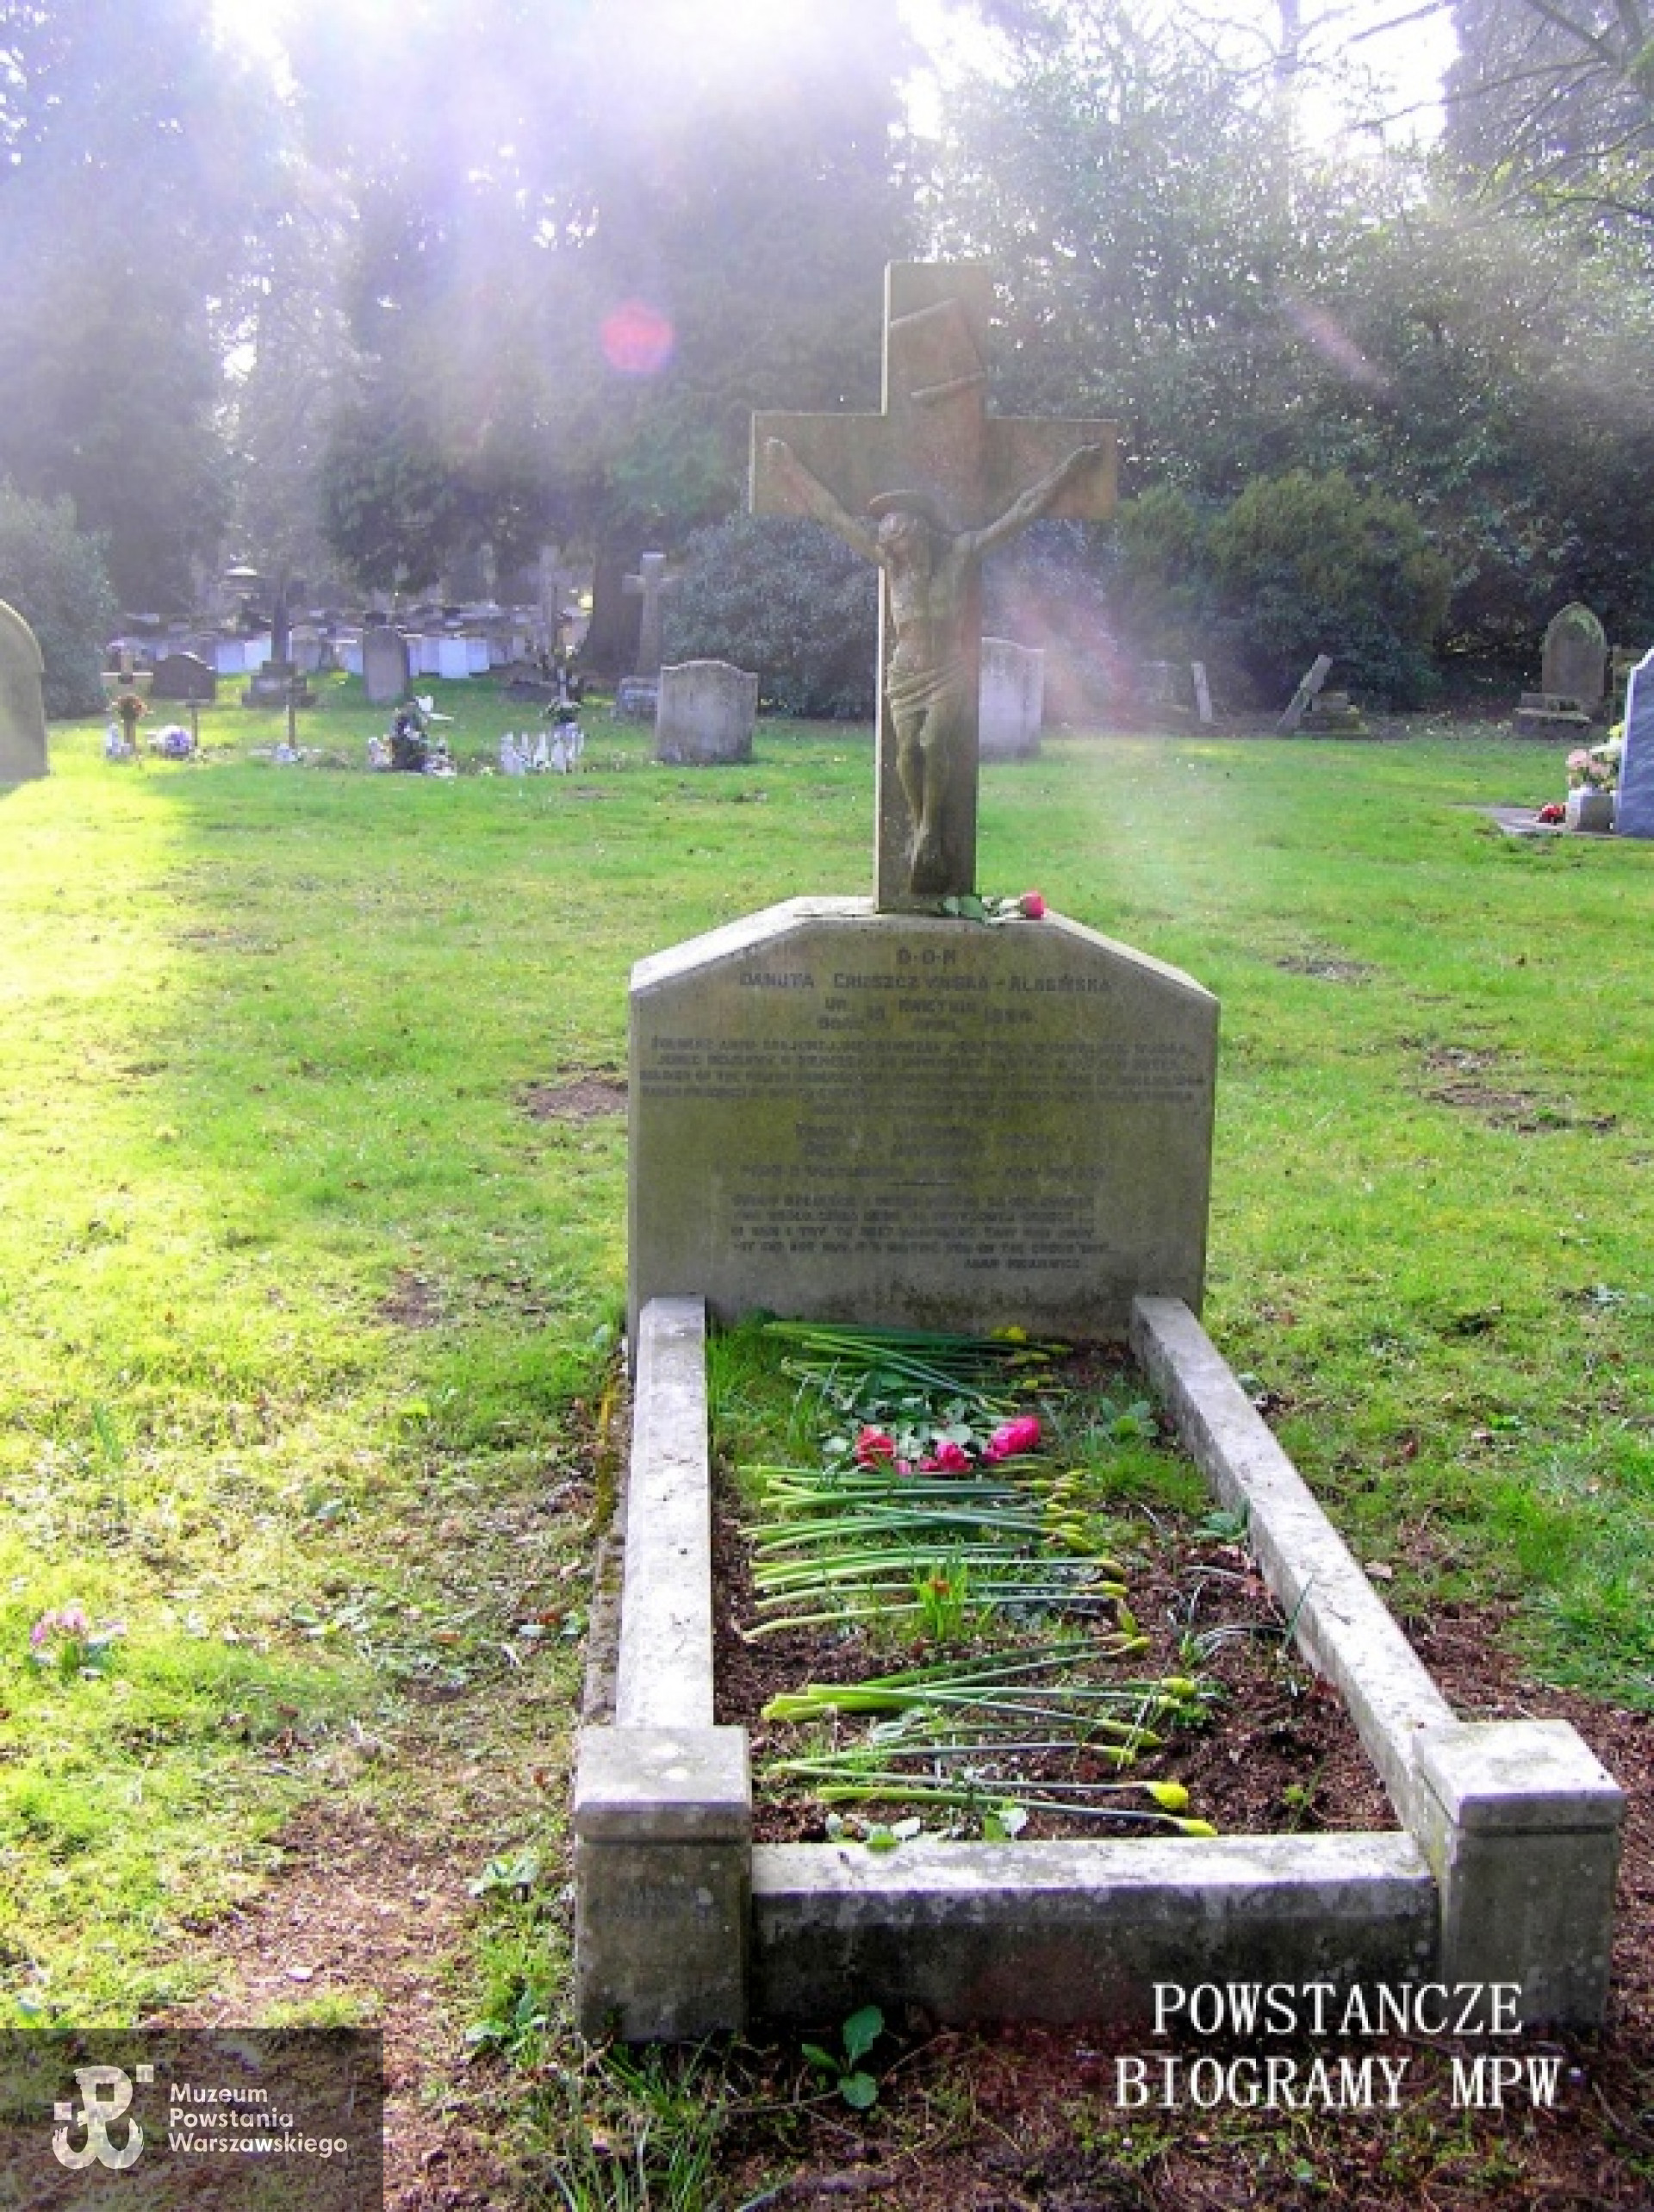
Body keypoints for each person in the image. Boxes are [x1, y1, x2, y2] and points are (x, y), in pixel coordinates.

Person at [763, 437, 1106, 892]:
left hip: (947, 670)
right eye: (892, 546)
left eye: (903, 543)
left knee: (934, 740)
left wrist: (1069, 469)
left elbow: (1022, 511)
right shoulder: (891, 567)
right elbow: (832, 514)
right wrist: (789, 466)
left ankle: (928, 833)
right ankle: (925, 825)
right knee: (908, 752)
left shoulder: (961, 553)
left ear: (919, 535)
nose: (899, 553)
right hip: (905, 673)